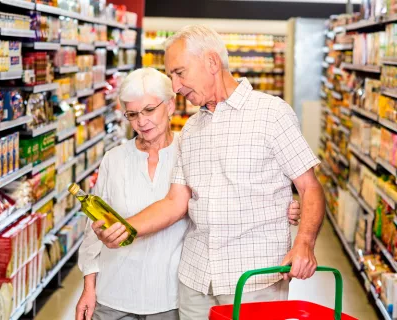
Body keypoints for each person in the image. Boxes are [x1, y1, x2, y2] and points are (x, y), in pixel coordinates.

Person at [92, 25, 325, 320]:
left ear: (212, 62)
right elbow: (175, 202)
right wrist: (127, 227)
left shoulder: (271, 114)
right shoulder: (191, 128)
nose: (175, 86)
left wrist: (304, 242)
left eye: (179, 73)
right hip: (196, 279)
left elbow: (309, 187)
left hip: (252, 279)